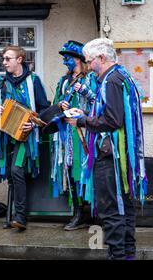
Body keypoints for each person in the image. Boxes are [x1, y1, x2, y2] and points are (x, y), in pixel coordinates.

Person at [65, 38, 147, 260]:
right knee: (124, 207)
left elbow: (112, 120)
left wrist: (82, 121)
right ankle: (127, 255)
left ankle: (118, 256)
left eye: (91, 61)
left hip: (111, 157)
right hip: (121, 157)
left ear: (102, 58)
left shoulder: (111, 81)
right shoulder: (122, 76)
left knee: (111, 210)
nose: (89, 66)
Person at [0, 45, 50, 231]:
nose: (4, 62)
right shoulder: (0, 82)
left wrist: (32, 123)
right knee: (10, 174)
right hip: (5, 136)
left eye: (8, 58)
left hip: (26, 137)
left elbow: (44, 108)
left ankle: (20, 217)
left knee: (17, 170)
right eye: (4, 59)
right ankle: (11, 216)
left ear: (19, 60)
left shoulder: (33, 81)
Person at [49, 40, 98, 231]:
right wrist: (61, 104)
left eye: (67, 58)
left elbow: (98, 103)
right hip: (66, 135)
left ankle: (93, 214)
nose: (65, 62)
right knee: (70, 172)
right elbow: (55, 104)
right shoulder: (63, 81)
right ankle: (78, 213)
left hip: (85, 133)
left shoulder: (91, 78)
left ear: (78, 59)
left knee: (86, 171)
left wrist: (84, 90)